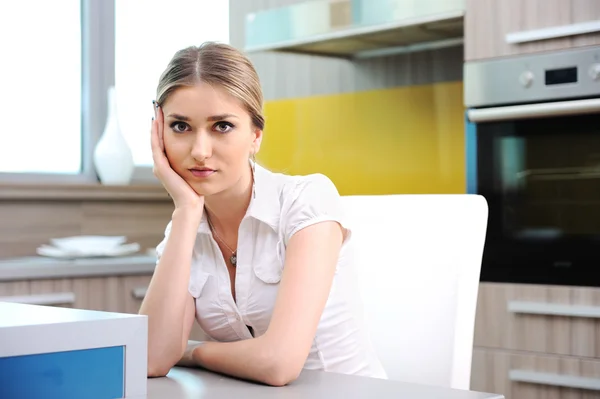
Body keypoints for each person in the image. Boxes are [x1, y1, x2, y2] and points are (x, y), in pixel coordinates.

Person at [139, 41, 386, 387]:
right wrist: (185, 210)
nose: (199, 151)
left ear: (255, 135)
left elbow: (278, 364)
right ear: (159, 135)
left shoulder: (307, 201)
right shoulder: (185, 229)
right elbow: (149, 358)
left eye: (222, 126)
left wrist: (194, 352)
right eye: (180, 126)